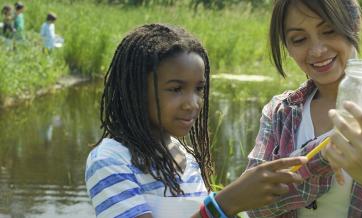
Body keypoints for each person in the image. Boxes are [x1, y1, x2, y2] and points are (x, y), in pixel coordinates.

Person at [85, 23, 308, 218]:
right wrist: (226, 202)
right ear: (136, 90)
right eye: (175, 89)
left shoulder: (187, 157)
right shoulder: (110, 159)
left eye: (199, 89)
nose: (192, 103)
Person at [245, 0, 362, 217]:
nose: (317, 50)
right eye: (299, 39)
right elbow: (252, 204)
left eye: (329, 31)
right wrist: (323, 154)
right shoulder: (280, 113)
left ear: (354, 24)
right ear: (287, 46)